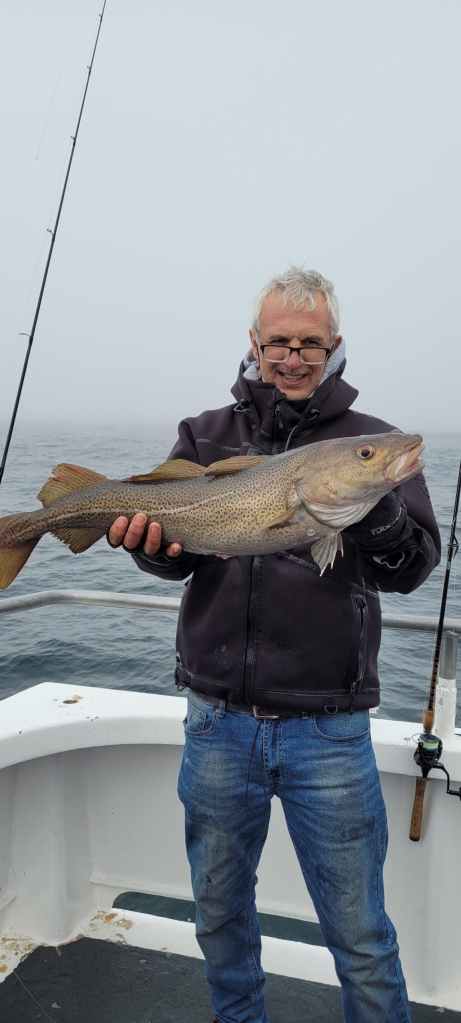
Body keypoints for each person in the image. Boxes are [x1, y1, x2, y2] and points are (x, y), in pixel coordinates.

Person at [108, 268, 441, 1023]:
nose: (293, 358)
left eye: (310, 344)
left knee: (360, 933)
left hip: (329, 730)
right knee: (219, 913)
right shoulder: (205, 435)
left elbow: (412, 568)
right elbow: (179, 560)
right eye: (279, 343)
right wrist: (148, 546)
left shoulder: (368, 442)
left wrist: (372, 501)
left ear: (334, 346)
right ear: (254, 343)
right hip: (216, 723)